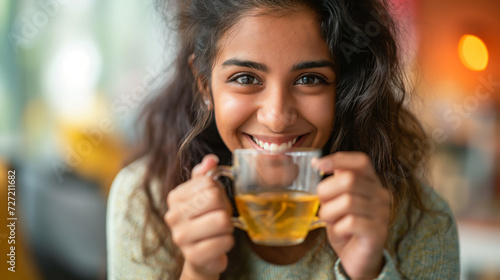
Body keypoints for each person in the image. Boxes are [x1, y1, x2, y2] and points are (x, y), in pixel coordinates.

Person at [106, 0, 460, 279]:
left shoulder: (418, 218)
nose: (276, 117)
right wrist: (197, 273)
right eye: (245, 78)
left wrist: (367, 273)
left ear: (346, 88)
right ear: (204, 84)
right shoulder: (146, 198)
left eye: (309, 79)